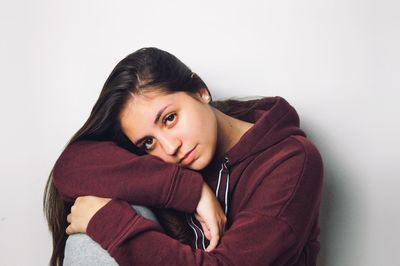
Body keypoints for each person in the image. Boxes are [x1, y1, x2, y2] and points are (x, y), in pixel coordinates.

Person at [43, 47, 324, 265]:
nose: (169, 148)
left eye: (169, 118)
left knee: (99, 217)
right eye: (148, 142)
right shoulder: (157, 164)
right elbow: (70, 167)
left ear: (200, 92)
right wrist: (190, 191)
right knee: (90, 235)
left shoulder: (291, 161)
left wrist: (107, 221)